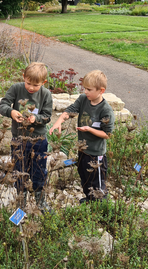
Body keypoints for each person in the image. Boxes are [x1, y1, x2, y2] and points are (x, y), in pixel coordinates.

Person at [49, 70, 115, 204]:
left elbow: (107, 134)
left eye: (89, 89)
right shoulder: (83, 100)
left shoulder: (106, 110)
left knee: (97, 182)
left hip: (96, 154)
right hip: (83, 150)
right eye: (84, 88)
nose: (85, 91)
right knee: (84, 176)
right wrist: (59, 121)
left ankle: (100, 206)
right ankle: (90, 199)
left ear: (101, 90)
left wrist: (90, 129)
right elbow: (71, 110)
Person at [0, 62, 53, 212]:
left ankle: (40, 200)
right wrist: (11, 112)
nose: (30, 88)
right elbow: (2, 105)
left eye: (35, 85)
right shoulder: (16, 89)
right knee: (19, 169)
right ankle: (21, 199)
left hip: (39, 140)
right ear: (24, 77)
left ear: (43, 83)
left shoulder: (45, 94)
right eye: (28, 83)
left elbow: (48, 115)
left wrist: (37, 119)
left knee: (39, 170)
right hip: (19, 139)